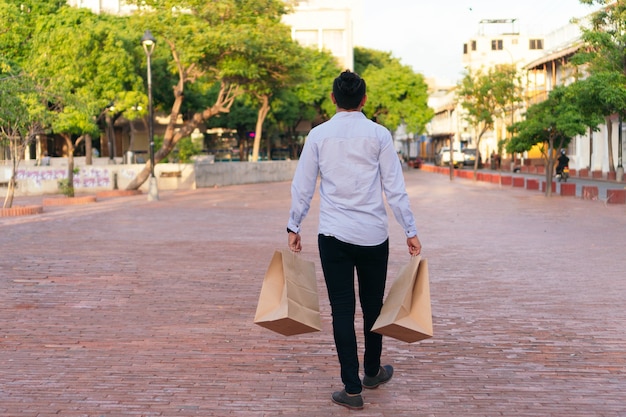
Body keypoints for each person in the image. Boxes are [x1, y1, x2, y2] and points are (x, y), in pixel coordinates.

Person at [286, 70, 422, 410]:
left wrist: (294, 225)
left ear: (333, 99)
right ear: (364, 100)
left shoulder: (318, 135)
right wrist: (410, 230)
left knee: (342, 311)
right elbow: (394, 187)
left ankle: (351, 388)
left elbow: (303, 186)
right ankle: (372, 371)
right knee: (373, 307)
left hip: (333, 236)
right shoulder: (379, 134)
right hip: (374, 235)